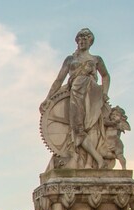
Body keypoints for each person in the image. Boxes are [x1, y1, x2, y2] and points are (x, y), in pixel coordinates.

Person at [41, 28, 110, 169]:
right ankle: (96, 159)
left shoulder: (96, 59)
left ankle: (91, 163)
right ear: (77, 41)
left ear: (90, 42)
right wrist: (48, 98)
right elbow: (59, 80)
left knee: (91, 127)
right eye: (80, 39)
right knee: (78, 128)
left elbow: (105, 76)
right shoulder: (70, 60)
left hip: (92, 94)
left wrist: (104, 93)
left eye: (85, 39)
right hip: (76, 94)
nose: (82, 41)